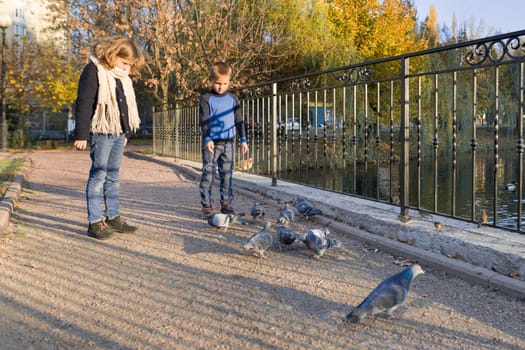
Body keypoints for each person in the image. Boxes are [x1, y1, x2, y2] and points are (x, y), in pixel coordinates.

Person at [73, 37, 144, 240]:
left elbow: (124, 107)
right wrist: (81, 134)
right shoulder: (93, 71)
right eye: (125, 63)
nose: (127, 67)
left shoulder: (122, 76)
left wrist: (126, 132)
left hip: (118, 133)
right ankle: (95, 222)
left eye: (129, 65)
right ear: (113, 55)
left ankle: (113, 216)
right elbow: (84, 103)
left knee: (113, 176)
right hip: (101, 133)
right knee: (99, 176)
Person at [199, 61, 248, 215]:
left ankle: (226, 204)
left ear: (229, 81)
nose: (221, 87)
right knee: (208, 173)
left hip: (229, 143)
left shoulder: (233, 99)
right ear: (211, 81)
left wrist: (243, 139)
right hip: (211, 143)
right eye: (218, 83)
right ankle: (206, 203)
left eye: (225, 83)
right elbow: (204, 120)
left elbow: (239, 120)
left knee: (226, 175)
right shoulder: (206, 98)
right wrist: (207, 138)